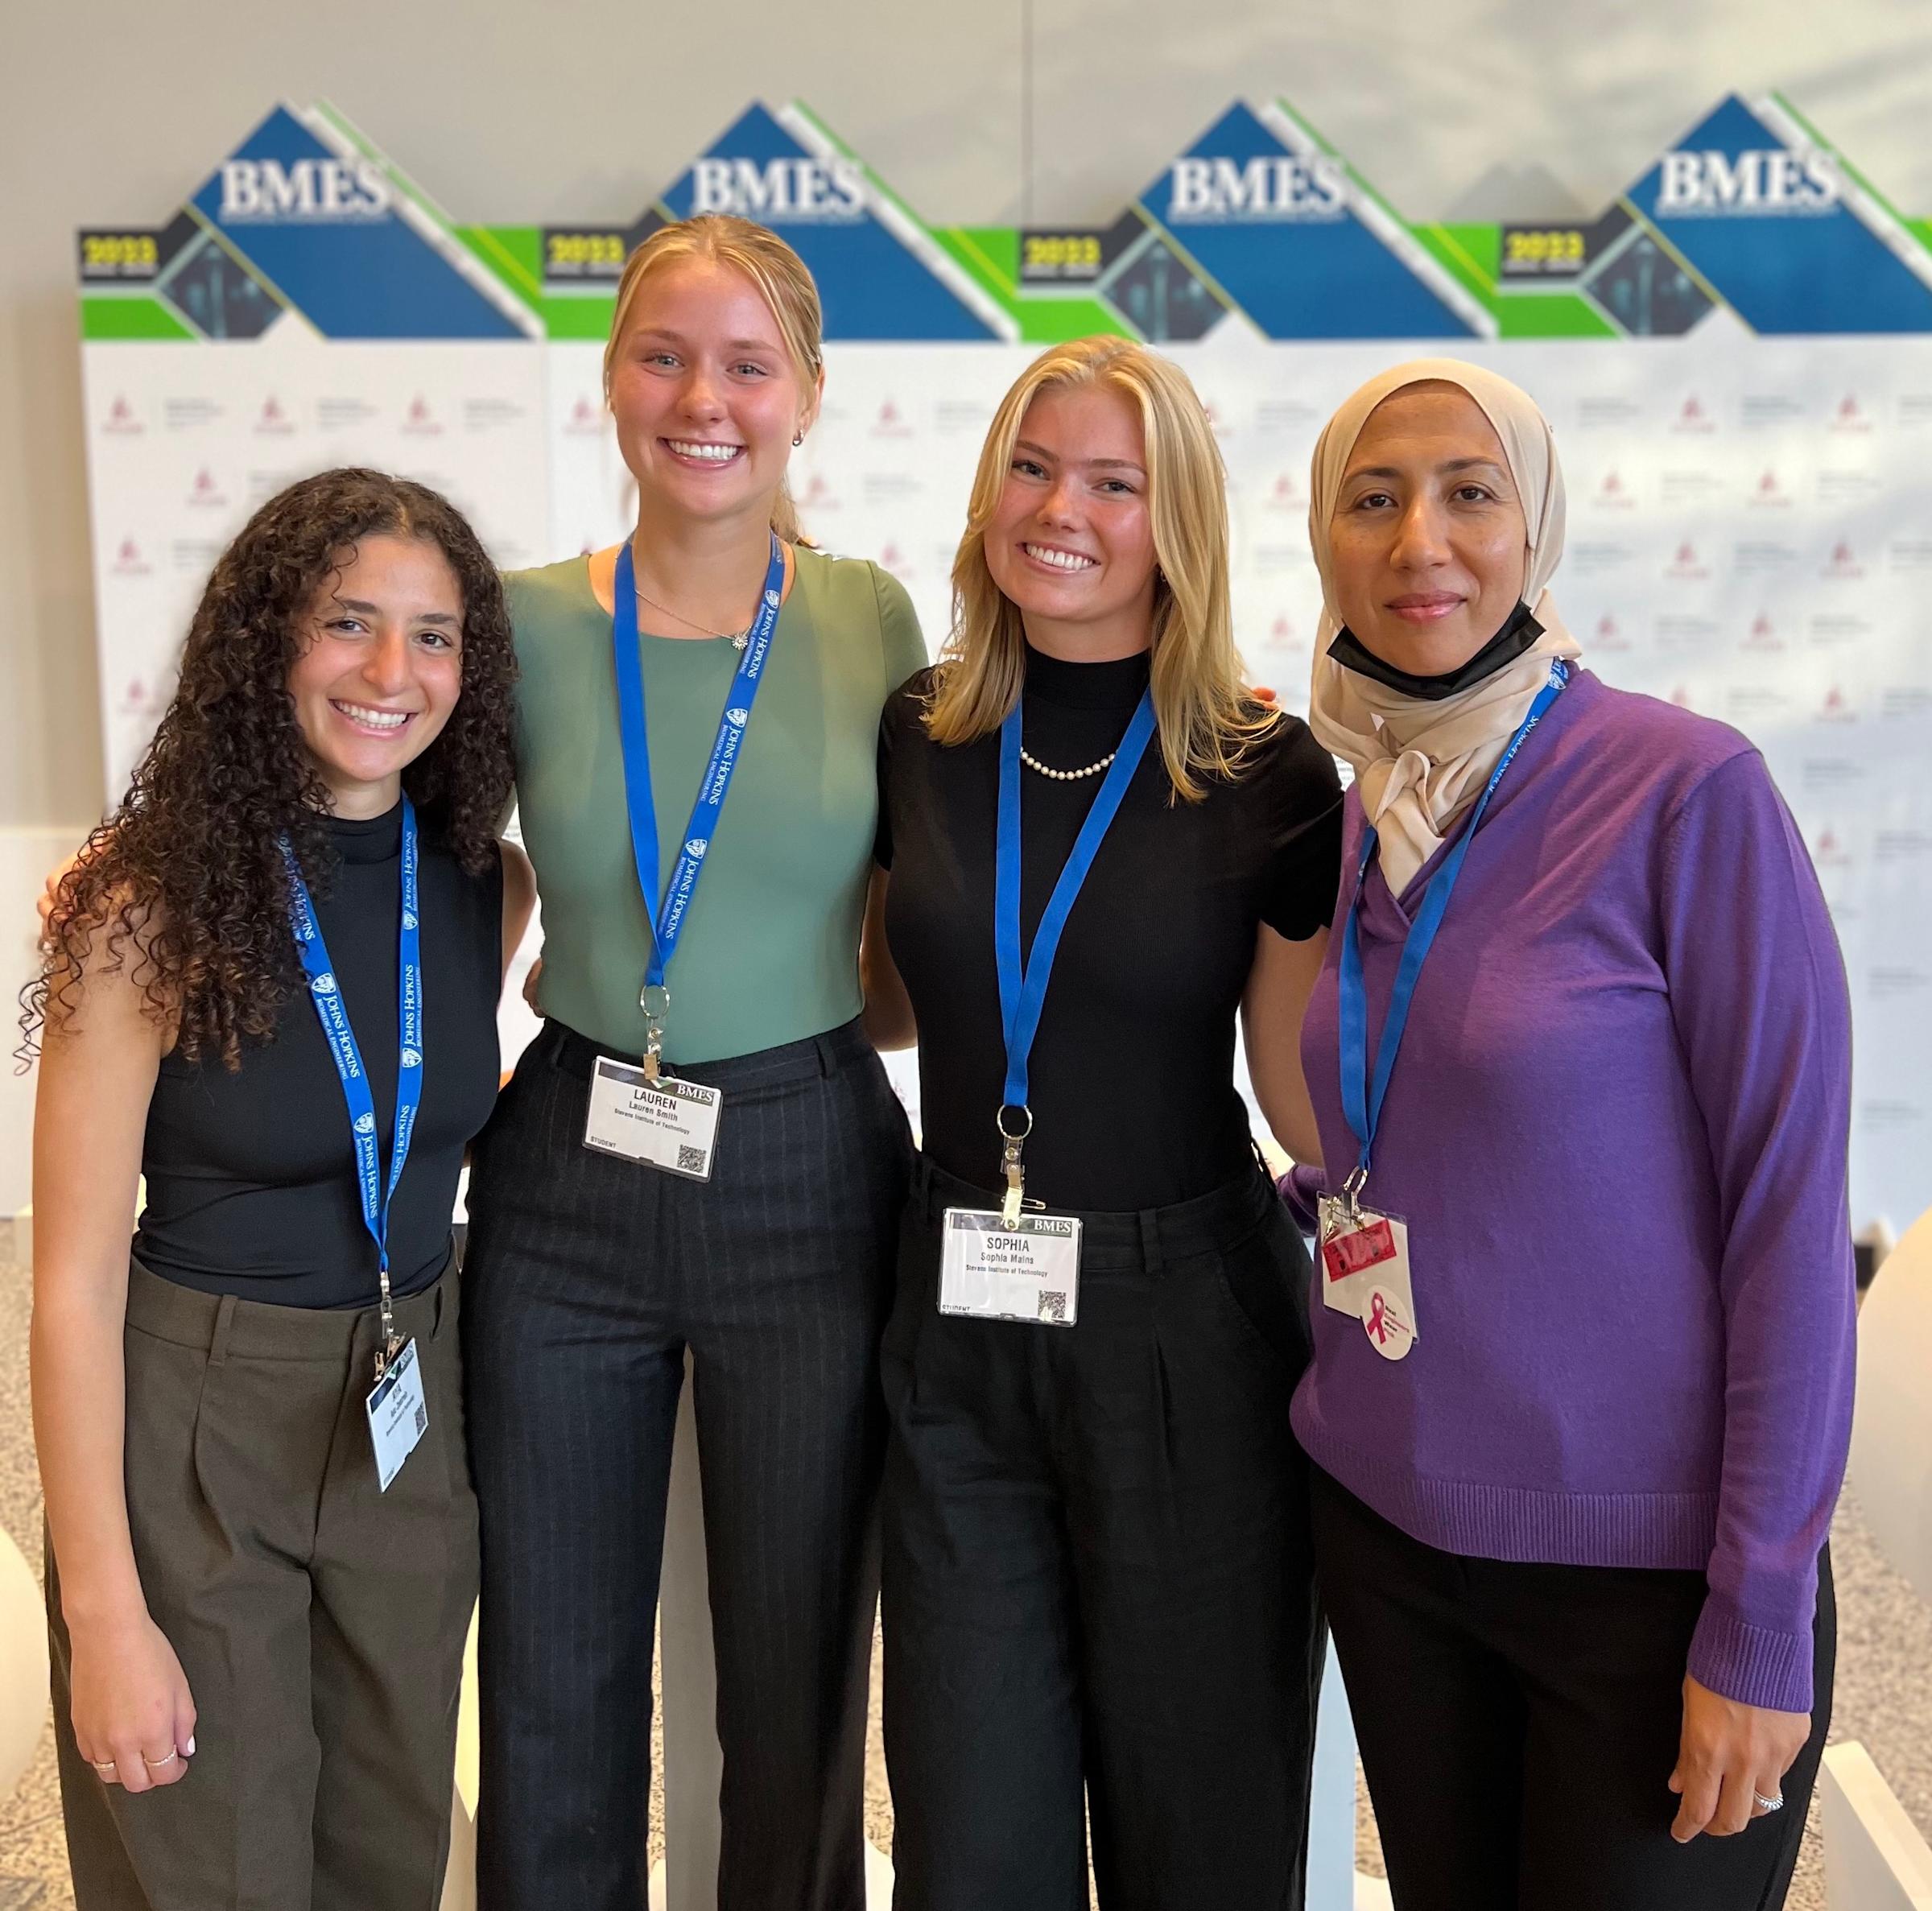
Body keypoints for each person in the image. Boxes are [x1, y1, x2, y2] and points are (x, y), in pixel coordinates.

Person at [1283, 359, 1852, 1911]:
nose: (1421, 541)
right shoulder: (1371, 803)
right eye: (1374, 498)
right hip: (1394, 1539)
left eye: (1470, 493)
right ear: (1325, 537)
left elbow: (1789, 1222)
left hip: (1640, 1582)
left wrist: (1759, 1614)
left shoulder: (1686, 789)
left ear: (1535, 528)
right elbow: (1430, 1135)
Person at [462, 213, 926, 1910]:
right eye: (664, 356)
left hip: (809, 1172)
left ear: (807, 393)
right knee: (550, 1669)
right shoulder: (514, 625)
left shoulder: (871, 619)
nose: (703, 400)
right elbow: (416, 859)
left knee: (798, 1680)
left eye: (746, 364)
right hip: (567, 1170)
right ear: (610, 378)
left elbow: (928, 919)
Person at [873, 336, 1343, 1911]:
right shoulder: (921, 730)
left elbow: (1297, 1089)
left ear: (1178, 520)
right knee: (967, 1832)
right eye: (1031, 465)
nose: (1059, 508)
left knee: (1202, 1831)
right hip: (956, 1305)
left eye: (1112, 482)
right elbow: (886, 994)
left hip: (1183, 1321)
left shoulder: (1266, 770)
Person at [27, 469, 532, 1911]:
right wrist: (102, 1610)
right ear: (266, 640)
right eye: (347, 622)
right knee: (217, 1866)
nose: (391, 673)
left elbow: (423, 1110)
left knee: (389, 1855)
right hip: (200, 1421)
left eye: (434, 635)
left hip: (405, 1411)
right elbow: (69, 1284)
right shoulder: (140, 905)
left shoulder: (483, 883)